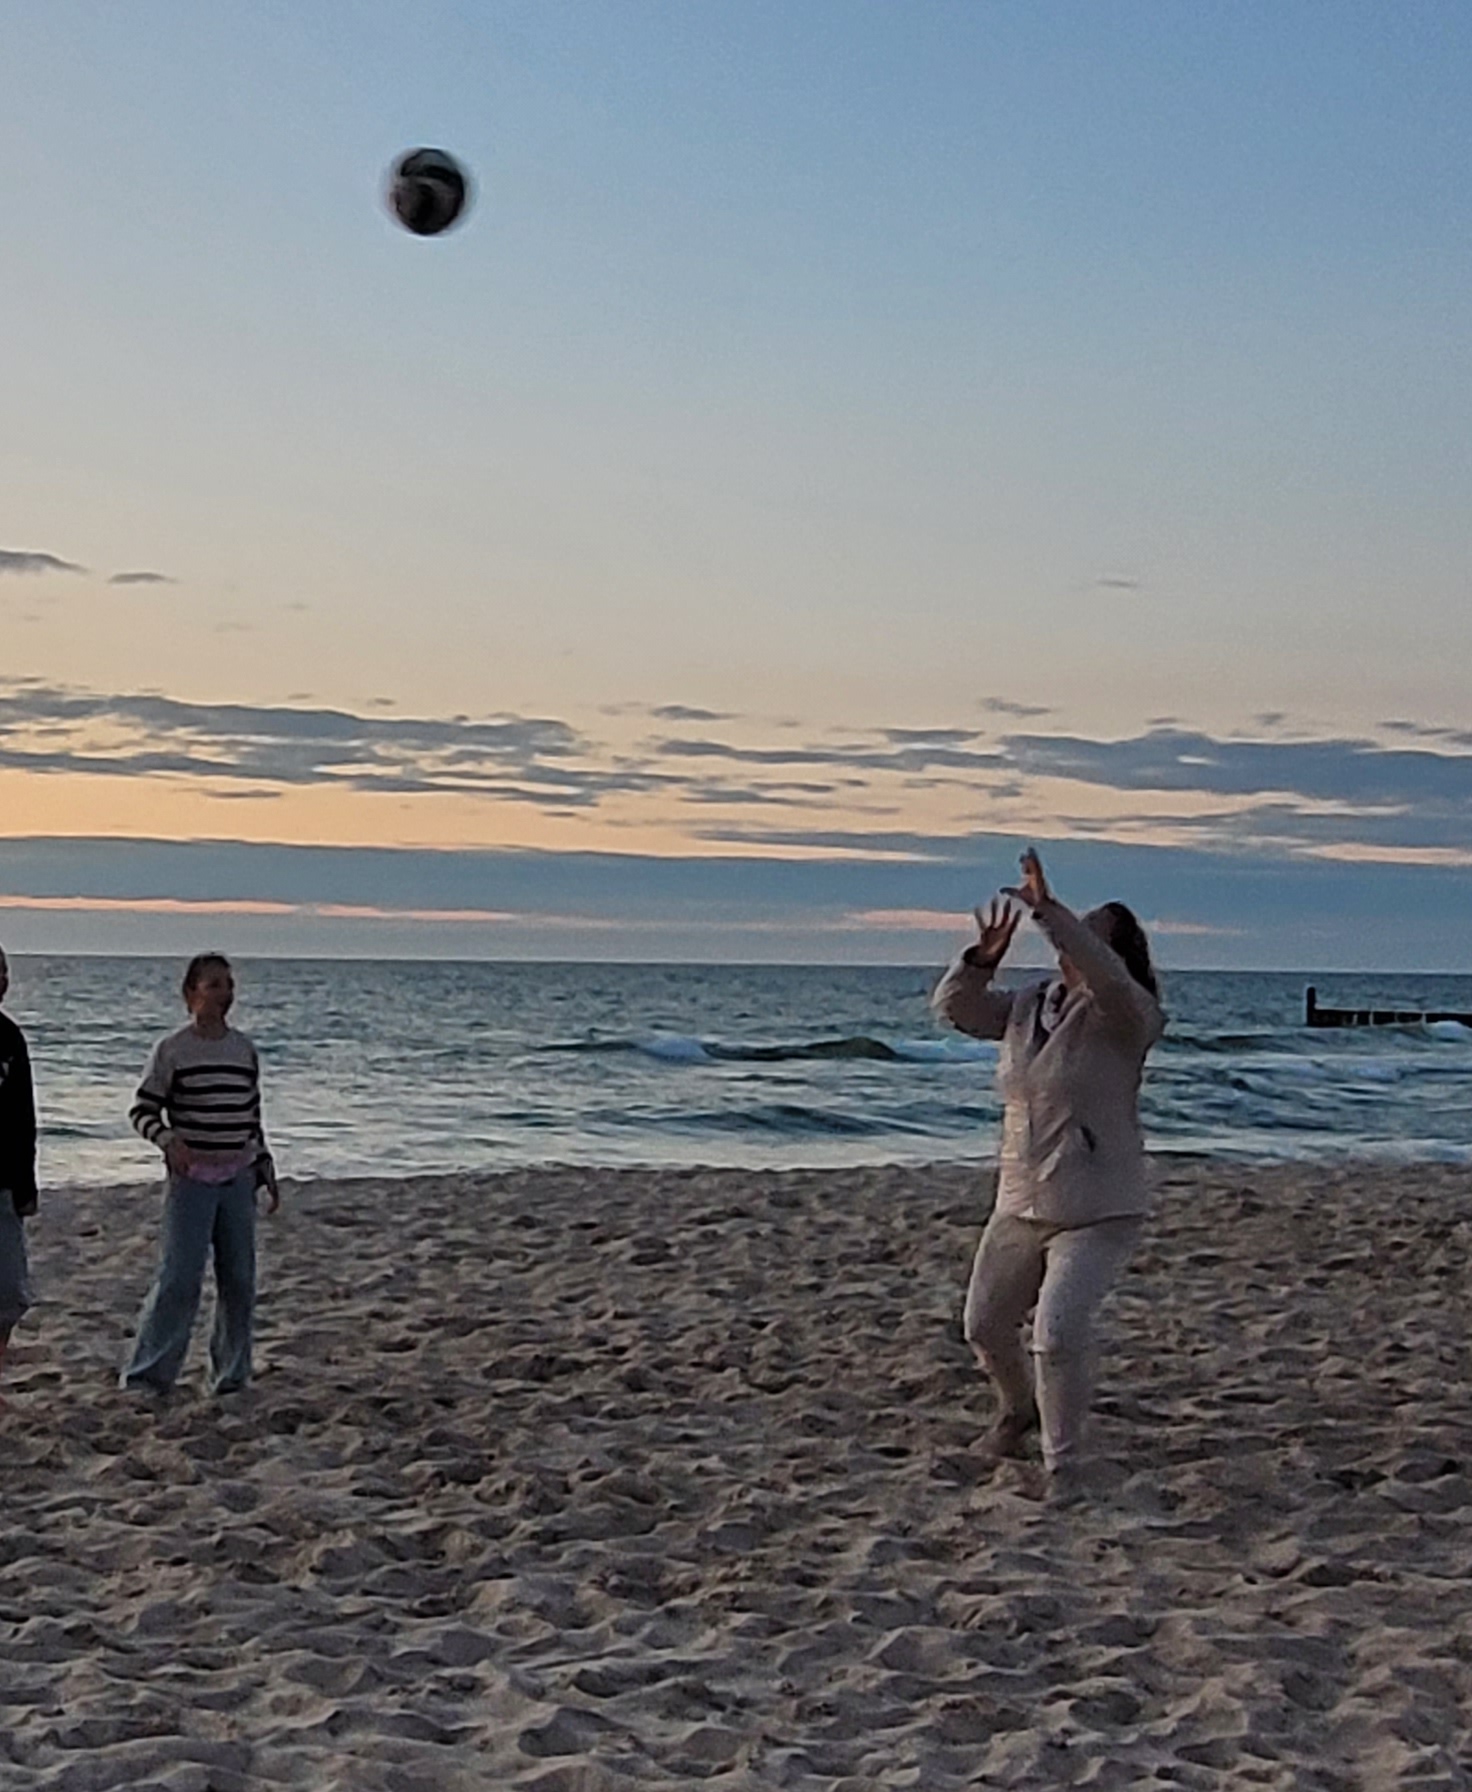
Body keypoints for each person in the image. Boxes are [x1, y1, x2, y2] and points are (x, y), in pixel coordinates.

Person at [932, 847, 1164, 1491]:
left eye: (1092, 938)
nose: (1074, 945)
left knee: (1057, 1336)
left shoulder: (1129, 1018)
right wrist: (980, 961)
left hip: (1099, 1207)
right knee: (983, 1327)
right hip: (1021, 1197)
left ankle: (1064, 1463)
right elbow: (956, 1011)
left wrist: (1049, 913)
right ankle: (1017, 1410)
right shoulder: (1032, 1003)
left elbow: (1107, 979)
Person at [121, 952, 279, 1399]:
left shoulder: (243, 1050)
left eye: (228, 985)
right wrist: (168, 1141)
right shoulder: (173, 1050)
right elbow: (142, 1110)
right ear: (191, 993)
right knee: (179, 1278)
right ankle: (148, 1376)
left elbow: (251, 1115)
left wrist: (264, 1164)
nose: (224, 994)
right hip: (191, 1179)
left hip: (237, 1177)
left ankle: (231, 1376)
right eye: (214, 985)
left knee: (239, 1280)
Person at [0, 945, 38, 1392]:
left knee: (9, 1295)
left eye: (5, 973)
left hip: (4, 1184)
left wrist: (27, 1184)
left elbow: (23, 1117)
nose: (2, 981)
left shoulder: (10, 1039)